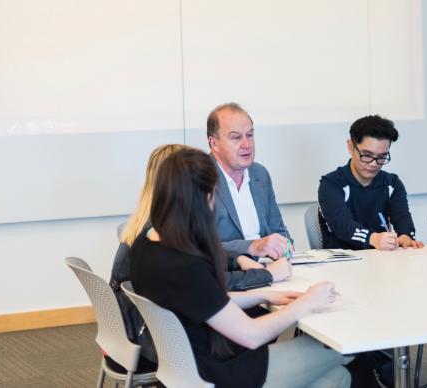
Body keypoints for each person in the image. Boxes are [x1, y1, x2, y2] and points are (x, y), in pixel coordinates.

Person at [129, 148, 351, 388]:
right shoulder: (185, 267)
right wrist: (306, 302)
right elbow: (251, 335)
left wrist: (263, 295)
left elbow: (205, 300)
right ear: (205, 197)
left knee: (338, 378)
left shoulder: (145, 245)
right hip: (221, 373)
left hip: (184, 369)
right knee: (345, 349)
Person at [110, 144, 290, 365]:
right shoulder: (179, 262)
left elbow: (203, 294)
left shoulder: (145, 239)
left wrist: (261, 291)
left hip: (165, 349)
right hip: (204, 365)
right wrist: (276, 282)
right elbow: (209, 287)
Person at [318, 115, 423, 250]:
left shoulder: (392, 184)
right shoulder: (331, 184)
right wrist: (373, 238)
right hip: (343, 262)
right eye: (367, 155)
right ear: (351, 147)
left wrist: (405, 236)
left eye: (382, 157)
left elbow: (403, 218)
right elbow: (342, 225)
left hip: (381, 261)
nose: (374, 164)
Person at [208, 102, 291, 259]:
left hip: (270, 268)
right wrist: (252, 246)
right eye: (236, 137)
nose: (247, 145)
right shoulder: (197, 177)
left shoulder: (259, 174)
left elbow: (278, 229)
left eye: (250, 135)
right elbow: (196, 246)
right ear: (214, 143)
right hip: (227, 273)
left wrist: (285, 246)